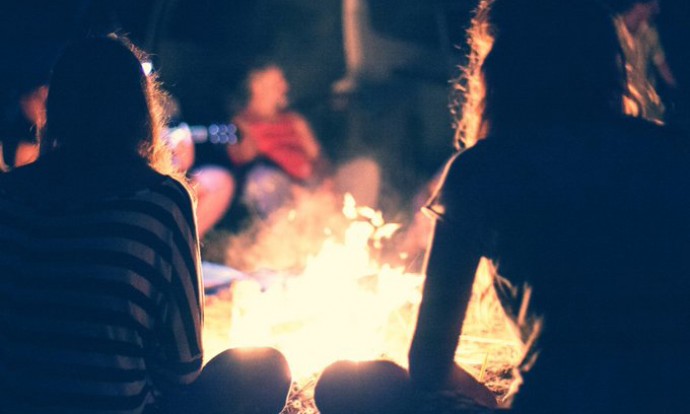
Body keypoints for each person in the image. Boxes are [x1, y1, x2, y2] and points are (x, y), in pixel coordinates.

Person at [315, 0, 690, 413]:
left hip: (557, 399)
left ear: (502, 67)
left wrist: (491, 403)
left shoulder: (483, 170)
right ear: (607, 59)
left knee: (353, 386)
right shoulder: (670, 151)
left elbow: (428, 363)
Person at [0, 36, 291, 414]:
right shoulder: (162, 199)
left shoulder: (8, 192)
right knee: (266, 367)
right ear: (140, 110)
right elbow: (183, 368)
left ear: (55, 108)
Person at [229, 62, 381, 218]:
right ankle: (283, 234)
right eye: (278, 83)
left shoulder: (294, 120)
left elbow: (318, 157)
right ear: (257, 87)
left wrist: (327, 182)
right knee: (264, 180)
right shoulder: (241, 123)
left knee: (366, 169)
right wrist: (294, 189)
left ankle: (349, 227)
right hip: (283, 191)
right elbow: (243, 163)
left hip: (313, 186)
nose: (285, 87)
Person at [610, 0, 678, 122]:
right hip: (623, 112)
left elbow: (663, 67)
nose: (657, 10)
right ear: (639, 5)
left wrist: (680, 94)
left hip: (651, 110)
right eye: (653, 4)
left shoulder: (650, 32)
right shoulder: (613, 30)